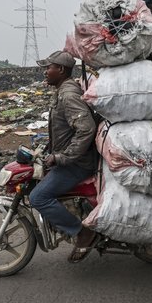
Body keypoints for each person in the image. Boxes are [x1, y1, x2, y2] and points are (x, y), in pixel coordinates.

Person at [29, 51, 99, 263]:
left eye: (48, 67)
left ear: (60, 69)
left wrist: (62, 157)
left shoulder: (68, 95)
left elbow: (86, 129)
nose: (45, 72)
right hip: (72, 159)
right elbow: (65, 129)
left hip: (77, 163)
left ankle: (82, 233)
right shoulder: (62, 91)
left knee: (38, 197)